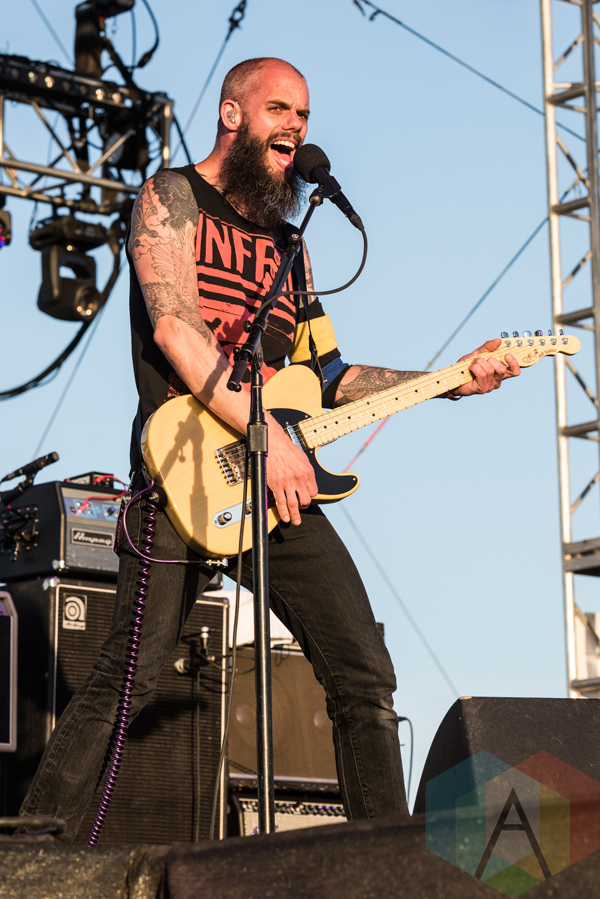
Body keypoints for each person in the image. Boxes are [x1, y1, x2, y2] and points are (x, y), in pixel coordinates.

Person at [18, 57, 519, 841]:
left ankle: (388, 862)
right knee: (130, 674)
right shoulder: (170, 198)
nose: (297, 126)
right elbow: (175, 328)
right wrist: (265, 437)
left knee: (363, 671)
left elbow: (330, 376)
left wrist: (450, 379)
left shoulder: (292, 246)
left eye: (305, 115)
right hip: (183, 472)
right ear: (232, 115)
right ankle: (29, 853)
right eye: (280, 108)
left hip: (274, 479)